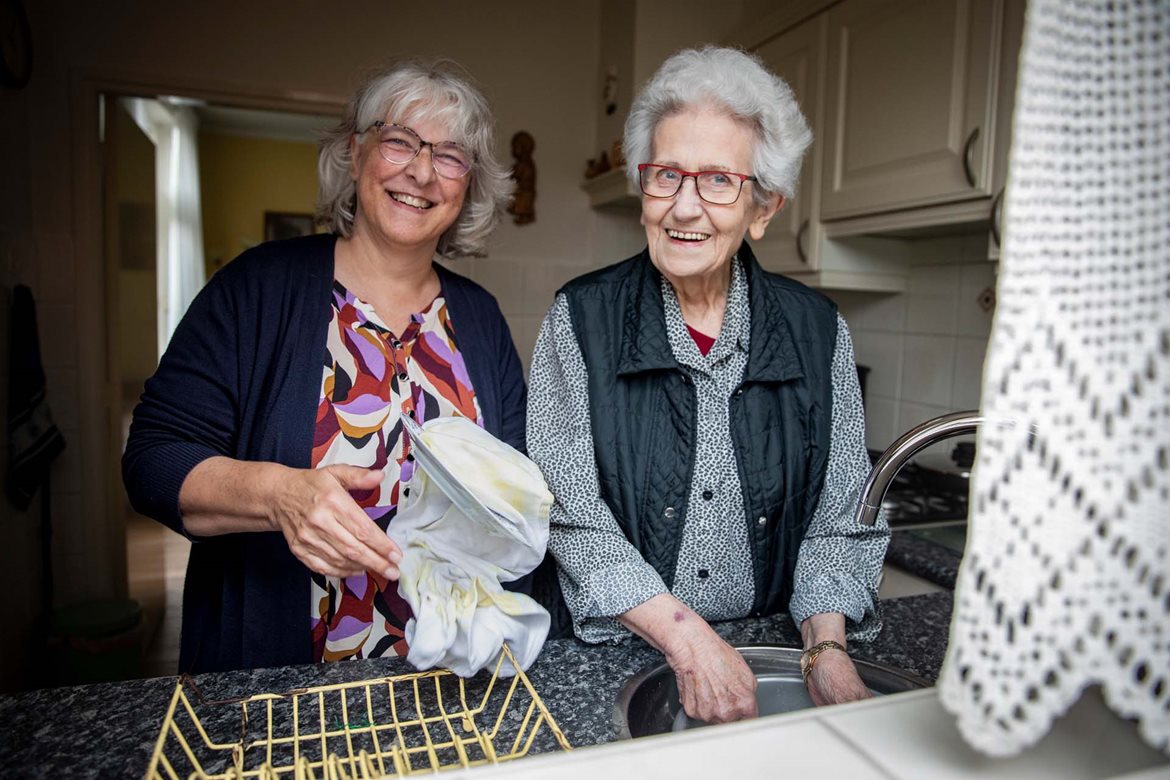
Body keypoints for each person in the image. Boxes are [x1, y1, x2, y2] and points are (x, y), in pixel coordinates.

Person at [123, 58, 525, 674]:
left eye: (449, 155)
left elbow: (515, 485)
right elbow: (153, 459)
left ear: (467, 185)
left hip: (448, 681)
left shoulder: (481, 317)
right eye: (399, 141)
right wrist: (277, 496)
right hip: (282, 682)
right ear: (355, 152)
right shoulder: (256, 288)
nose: (421, 172)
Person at [527, 46, 890, 724]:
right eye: (667, 175)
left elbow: (841, 517)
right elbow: (566, 511)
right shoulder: (581, 318)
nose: (685, 208)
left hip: (768, 646)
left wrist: (826, 647)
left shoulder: (819, 331)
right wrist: (686, 637)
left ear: (763, 207)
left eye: (719, 180)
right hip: (614, 654)